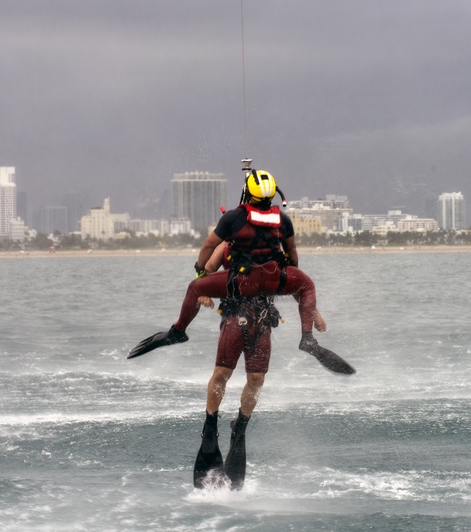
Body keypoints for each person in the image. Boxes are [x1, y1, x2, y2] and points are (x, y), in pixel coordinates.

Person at [127, 169, 335, 489]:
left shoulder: (274, 245)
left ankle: (241, 427)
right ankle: (210, 425)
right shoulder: (230, 242)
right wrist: (204, 288)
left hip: (263, 319)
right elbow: (208, 267)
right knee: (222, 374)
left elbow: (289, 277)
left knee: (256, 380)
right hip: (235, 316)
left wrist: (315, 313)